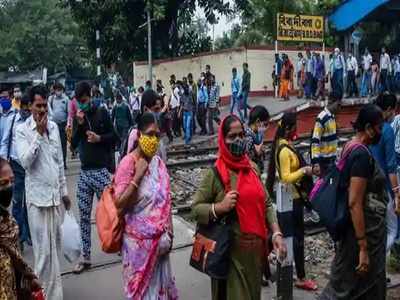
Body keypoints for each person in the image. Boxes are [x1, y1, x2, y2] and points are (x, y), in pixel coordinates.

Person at [192, 115, 287, 300]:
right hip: (231, 256)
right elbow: (195, 208)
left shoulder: (252, 168)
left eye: (241, 135)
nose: (238, 140)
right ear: (223, 139)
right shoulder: (216, 173)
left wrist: (276, 233)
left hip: (255, 256)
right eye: (232, 136)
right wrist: (219, 207)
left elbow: (266, 203)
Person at [319, 104, 388, 300]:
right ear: (368, 128)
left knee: (364, 286)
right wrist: (363, 247)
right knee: (342, 288)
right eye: (379, 127)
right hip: (362, 233)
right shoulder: (360, 155)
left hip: (363, 231)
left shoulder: (350, 147)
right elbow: (354, 202)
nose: (380, 132)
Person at [15, 84, 71, 300]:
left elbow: (58, 162)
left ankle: (55, 295)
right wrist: (38, 134)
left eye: (45, 106)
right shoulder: (22, 130)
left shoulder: (54, 128)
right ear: (29, 106)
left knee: (55, 250)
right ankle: (40, 295)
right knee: (43, 254)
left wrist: (65, 192)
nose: (42, 111)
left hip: (55, 197)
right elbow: (26, 162)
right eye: (38, 106)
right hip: (37, 201)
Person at [114, 113, 178, 299]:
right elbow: (119, 205)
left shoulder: (158, 164)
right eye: (150, 134)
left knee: (160, 294)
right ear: (139, 134)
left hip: (161, 246)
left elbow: (166, 200)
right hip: (138, 252)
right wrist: (137, 176)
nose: (154, 140)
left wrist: (170, 233)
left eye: (157, 135)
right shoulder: (128, 163)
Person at [266, 112, 317, 291]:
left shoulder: (284, 146)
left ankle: (291, 271)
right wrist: (304, 170)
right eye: (295, 126)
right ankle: (300, 277)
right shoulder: (284, 150)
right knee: (296, 239)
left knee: (293, 238)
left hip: (292, 200)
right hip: (292, 201)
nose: (297, 129)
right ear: (288, 128)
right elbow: (286, 177)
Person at [71, 81, 116, 274]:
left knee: (110, 212)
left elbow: (115, 137)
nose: (81, 105)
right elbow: (73, 144)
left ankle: (119, 244)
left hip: (101, 171)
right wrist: (80, 126)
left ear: (91, 95)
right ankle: (85, 256)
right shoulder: (78, 118)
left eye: (84, 100)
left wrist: (99, 138)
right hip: (84, 173)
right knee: (83, 217)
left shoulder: (102, 112)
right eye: (78, 102)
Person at [0, 158, 42, 300]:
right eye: (3, 183)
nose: (9, 187)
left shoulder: (7, 220)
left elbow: (14, 256)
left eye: (12, 181)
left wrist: (27, 276)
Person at [369, 94, 400, 254]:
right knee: (392, 229)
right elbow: (391, 166)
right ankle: (376, 261)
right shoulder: (386, 130)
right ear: (388, 110)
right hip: (383, 187)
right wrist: (396, 194)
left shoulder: (369, 126)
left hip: (367, 184)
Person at [0, 95, 31, 249]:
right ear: (20, 107)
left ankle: (29, 234)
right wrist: (4, 163)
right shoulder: (12, 120)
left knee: (30, 202)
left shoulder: (34, 121)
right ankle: (19, 237)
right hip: (16, 167)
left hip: (30, 167)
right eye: (24, 108)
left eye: (28, 109)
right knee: (18, 202)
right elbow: (5, 141)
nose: (26, 111)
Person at [311, 94, 341, 177]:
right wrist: (316, 163)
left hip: (332, 161)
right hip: (324, 163)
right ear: (331, 102)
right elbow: (315, 141)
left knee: (331, 185)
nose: (339, 108)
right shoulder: (322, 118)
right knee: (327, 185)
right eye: (338, 105)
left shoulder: (332, 117)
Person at [48, 82, 69, 169]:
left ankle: (63, 163)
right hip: (53, 126)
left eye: (60, 90)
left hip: (62, 125)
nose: (58, 91)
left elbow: (69, 113)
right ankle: (54, 163)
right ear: (54, 90)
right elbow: (48, 111)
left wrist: (68, 124)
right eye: (57, 90)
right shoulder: (51, 99)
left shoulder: (66, 99)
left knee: (63, 145)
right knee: (54, 144)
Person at [244, 105, 270, 172]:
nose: (266, 127)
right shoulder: (248, 138)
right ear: (258, 121)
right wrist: (257, 152)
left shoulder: (256, 134)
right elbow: (244, 159)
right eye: (265, 124)